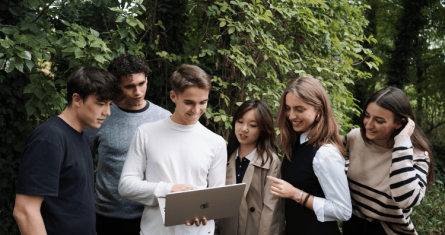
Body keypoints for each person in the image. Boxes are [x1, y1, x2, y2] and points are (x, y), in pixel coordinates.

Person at [118, 64, 227, 235]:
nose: (197, 110)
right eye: (189, 103)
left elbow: (216, 198)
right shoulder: (146, 132)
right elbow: (126, 186)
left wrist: (207, 210)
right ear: (173, 96)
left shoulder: (216, 142)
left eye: (203, 102)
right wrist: (169, 190)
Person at [13, 67, 121, 235]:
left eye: (110, 104)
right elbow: (25, 211)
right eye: (101, 103)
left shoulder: (82, 135)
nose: (107, 112)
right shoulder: (49, 139)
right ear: (77, 99)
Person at [83, 54, 171, 235]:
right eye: (129, 86)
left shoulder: (164, 118)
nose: (137, 91)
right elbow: (82, 162)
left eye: (141, 83)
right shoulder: (102, 116)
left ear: (147, 79)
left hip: (151, 212)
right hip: (107, 215)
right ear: (116, 86)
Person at [342, 86, 435, 235]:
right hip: (353, 225)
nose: (368, 124)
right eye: (367, 115)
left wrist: (402, 142)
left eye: (379, 120)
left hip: (389, 231)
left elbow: (407, 200)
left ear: (399, 123)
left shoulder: (417, 155)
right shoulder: (354, 138)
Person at [268, 76, 352, 235]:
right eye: (288, 108)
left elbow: (343, 211)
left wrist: (296, 194)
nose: (291, 116)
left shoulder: (325, 153)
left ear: (318, 110)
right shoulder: (297, 143)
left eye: (299, 109)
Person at [218, 100, 285, 235]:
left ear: (262, 130)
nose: (244, 129)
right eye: (240, 121)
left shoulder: (271, 162)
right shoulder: (224, 156)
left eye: (253, 125)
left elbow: (271, 211)